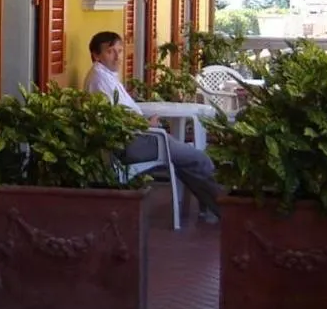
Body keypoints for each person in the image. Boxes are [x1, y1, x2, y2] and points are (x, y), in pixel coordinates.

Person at [83, 30, 223, 222]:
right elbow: (109, 120)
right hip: (134, 142)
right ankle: (225, 211)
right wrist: (145, 124)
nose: (118, 57)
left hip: (141, 135)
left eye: (120, 50)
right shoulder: (99, 80)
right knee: (199, 160)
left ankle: (211, 209)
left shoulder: (106, 75)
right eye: (110, 52)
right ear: (96, 55)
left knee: (188, 159)